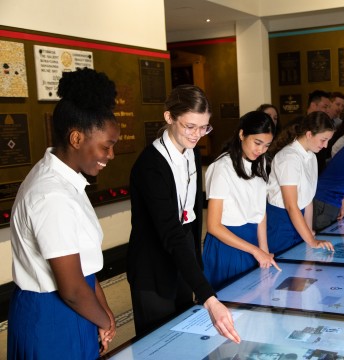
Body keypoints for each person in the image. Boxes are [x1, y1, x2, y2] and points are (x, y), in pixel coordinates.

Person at [8, 68, 117, 359]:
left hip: (77, 307)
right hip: (52, 318)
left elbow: (85, 267)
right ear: (77, 138)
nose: (110, 155)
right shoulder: (51, 194)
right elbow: (70, 289)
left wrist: (103, 313)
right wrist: (104, 320)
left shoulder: (68, 182)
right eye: (107, 146)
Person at [127, 84, 240, 342]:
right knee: (157, 343)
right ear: (169, 117)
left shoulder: (192, 151)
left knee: (183, 335)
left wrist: (196, 271)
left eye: (204, 127)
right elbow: (170, 232)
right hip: (153, 268)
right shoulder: (150, 166)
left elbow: (192, 219)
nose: (197, 135)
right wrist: (209, 297)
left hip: (182, 259)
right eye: (190, 126)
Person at [203, 111, 281, 290]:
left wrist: (264, 251)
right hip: (228, 244)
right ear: (241, 134)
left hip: (252, 242)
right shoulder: (222, 167)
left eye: (267, 145)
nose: (261, 150)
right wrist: (256, 251)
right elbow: (213, 226)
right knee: (231, 305)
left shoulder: (260, 163)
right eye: (257, 143)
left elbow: (260, 212)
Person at [267, 111, 336, 255]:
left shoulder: (311, 157)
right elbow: (291, 205)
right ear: (309, 134)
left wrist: (309, 232)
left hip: (299, 217)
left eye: (328, 140)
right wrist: (311, 241)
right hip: (282, 220)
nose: (325, 146)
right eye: (323, 140)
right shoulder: (289, 158)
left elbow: (307, 199)